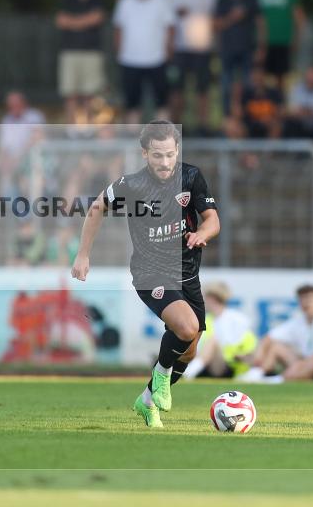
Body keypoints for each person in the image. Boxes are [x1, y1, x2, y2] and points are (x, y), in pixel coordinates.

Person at [71, 121, 220, 428]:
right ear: (144, 154)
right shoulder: (131, 185)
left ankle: (148, 400)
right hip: (150, 272)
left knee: (189, 351)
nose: (164, 162)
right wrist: (83, 254)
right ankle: (161, 377)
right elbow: (97, 208)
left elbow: (213, 220)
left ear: (177, 150)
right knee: (187, 327)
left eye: (169, 155)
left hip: (187, 273)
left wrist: (202, 233)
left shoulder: (191, 177)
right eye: (157, 156)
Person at [239, 285, 313, 384]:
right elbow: (269, 338)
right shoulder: (299, 320)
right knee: (276, 347)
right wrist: (258, 356)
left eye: (309, 299)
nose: (305, 303)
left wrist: (296, 367)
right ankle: (258, 373)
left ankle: (279, 380)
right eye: (302, 299)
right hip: (307, 366)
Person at [162, 0, 218, 129]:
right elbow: (164, 19)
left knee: (203, 89)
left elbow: (215, 18)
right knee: (176, 89)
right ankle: (177, 126)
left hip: (202, 47)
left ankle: (203, 126)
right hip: (178, 48)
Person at [113, 0, 174, 124]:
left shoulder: (161, 0)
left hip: (157, 59)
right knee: (132, 103)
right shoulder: (124, 1)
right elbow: (118, 28)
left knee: (162, 101)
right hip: (130, 59)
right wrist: (120, 52)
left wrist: (168, 50)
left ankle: (163, 142)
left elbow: (170, 27)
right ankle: (133, 141)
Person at [215, 0, 266, 117]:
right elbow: (216, 25)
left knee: (248, 87)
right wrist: (232, 17)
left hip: (248, 49)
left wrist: (261, 47)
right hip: (227, 49)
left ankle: (246, 121)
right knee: (226, 87)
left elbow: (261, 23)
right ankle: (227, 121)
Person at [55, 0, 106, 115]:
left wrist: (72, 22)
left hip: (92, 52)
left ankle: (88, 132)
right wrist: (85, 21)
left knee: (90, 94)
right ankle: (72, 131)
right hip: (69, 52)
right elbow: (60, 21)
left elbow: (97, 19)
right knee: (70, 93)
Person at [182, 281, 257, 380]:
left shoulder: (237, 319)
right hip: (208, 364)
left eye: (205, 297)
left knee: (213, 341)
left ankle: (187, 374)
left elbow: (246, 347)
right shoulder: (206, 319)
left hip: (230, 366)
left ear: (212, 298)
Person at [254, 0, 306, 91]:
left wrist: (297, 38)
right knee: (259, 75)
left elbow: (298, 16)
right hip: (262, 41)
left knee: (281, 78)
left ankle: (280, 106)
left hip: (283, 40)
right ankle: (261, 106)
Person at [225, 66, 283, 139]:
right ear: (252, 77)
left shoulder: (273, 93)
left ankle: (269, 150)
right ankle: (244, 150)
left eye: (260, 75)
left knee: (276, 126)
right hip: (249, 125)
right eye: (256, 75)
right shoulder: (246, 94)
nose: (258, 78)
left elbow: (280, 111)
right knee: (231, 125)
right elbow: (238, 113)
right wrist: (235, 97)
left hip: (268, 124)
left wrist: (270, 118)